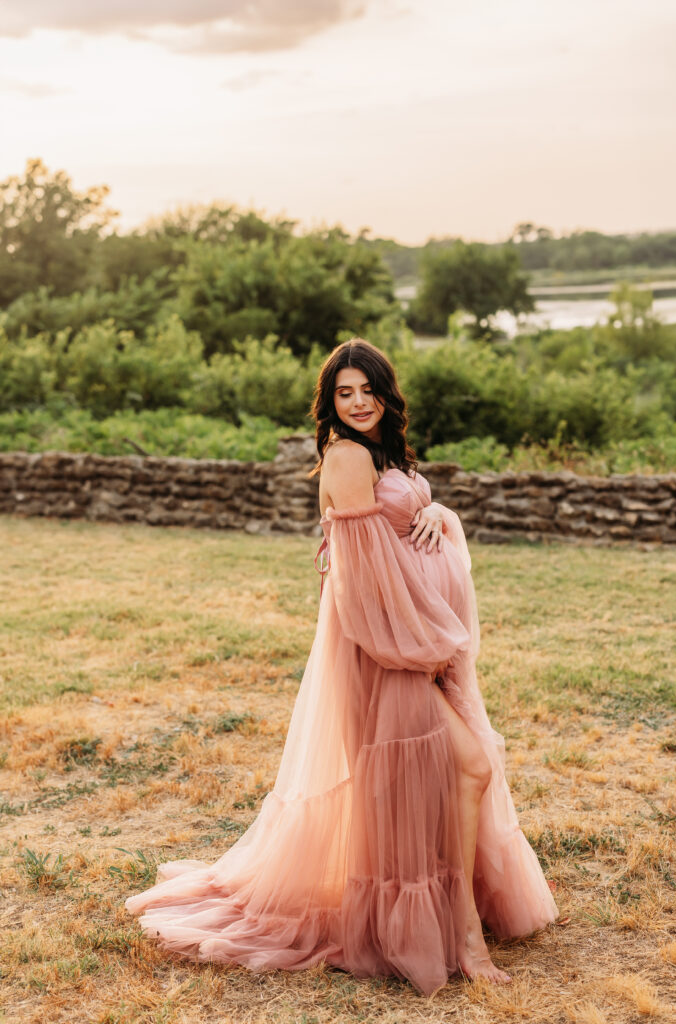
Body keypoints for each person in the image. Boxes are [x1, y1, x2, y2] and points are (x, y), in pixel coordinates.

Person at [125, 338, 558, 996]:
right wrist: (418, 647)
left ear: (386, 393)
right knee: (466, 768)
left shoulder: (386, 453)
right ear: (329, 403)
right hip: (387, 651)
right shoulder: (348, 456)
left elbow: (406, 530)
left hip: (416, 643)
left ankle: (453, 917)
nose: (356, 402)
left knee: (450, 777)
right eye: (343, 393)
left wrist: (439, 513)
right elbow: (361, 579)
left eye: (366, 389)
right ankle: (459, 934)